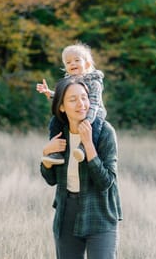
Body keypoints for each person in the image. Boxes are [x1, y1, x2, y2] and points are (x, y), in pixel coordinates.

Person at [40, 76, 122, 259]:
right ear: (61, 106)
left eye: (84, 97)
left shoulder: (105, 132)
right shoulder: (60, 133)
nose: (81, 104)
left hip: (100, 212)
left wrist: (89, 146)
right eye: (73, 99)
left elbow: (106, 182)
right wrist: (46, 154)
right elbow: (51, 179)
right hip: (66, 211)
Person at [36, 42, 106, 164]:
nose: (72, 63)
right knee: (55, 120)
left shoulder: (94, 82)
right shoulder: (68, 83)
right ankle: (56, 152)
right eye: (68, 62)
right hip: (76, 114)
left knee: (94, 126)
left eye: (76, 60)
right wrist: (51, 93)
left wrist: (86, 121)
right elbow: (65, 98)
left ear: (87, 64)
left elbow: (94, 104)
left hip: (94, 114)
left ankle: (83, 147)